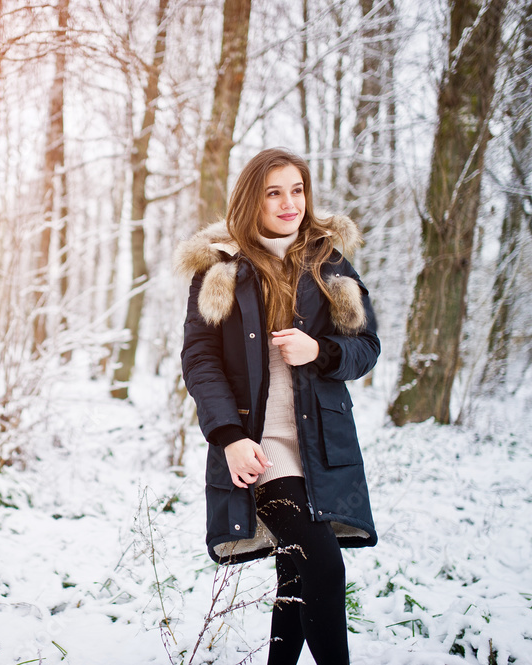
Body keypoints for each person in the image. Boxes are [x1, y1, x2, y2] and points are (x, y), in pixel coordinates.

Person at [176, 147, 380, 665]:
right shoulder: (221, 270)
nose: (290, 203)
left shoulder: (330, 263)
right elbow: (200, 360)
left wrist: (321, 350)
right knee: (323, 567)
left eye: (297, 190)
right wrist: (229, 438)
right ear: (253, 200)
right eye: (274, 192)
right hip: (261, 448)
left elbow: (366, 347)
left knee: (296, 570)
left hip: (319, 446)